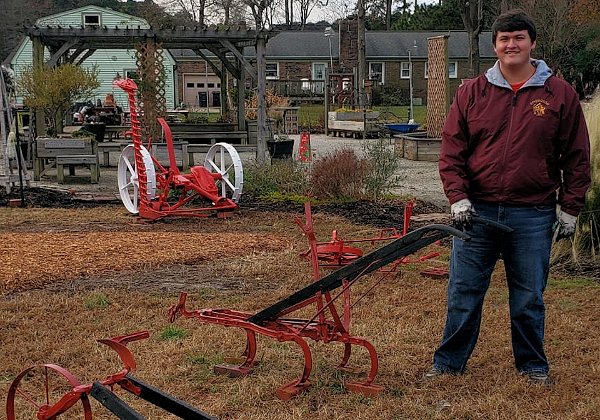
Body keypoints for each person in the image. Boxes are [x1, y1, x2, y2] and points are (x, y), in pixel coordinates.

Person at [428, 9, 591, 385]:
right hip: (476, 213)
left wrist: (570, 209)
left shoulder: (559, 94)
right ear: (495, 46)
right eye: (504, 39)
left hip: (532, 215)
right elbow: (451, 151)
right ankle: (448, 363)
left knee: (528, 298)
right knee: (463, 293)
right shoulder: (472, 92)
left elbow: (577, 156)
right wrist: (458, 199)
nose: (511, 44)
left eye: (519, 37)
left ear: (532, 43)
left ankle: (533, 367)